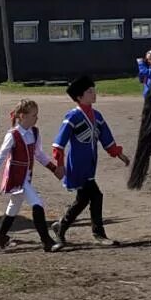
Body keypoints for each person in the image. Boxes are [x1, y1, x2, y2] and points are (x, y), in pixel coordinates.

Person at [51, 76, 129, 248]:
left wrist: (119, 154)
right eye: (89, 91)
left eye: (94, 90)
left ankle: (60, 226)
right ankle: (98, 234)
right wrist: (60, 165)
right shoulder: (72, 117)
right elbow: (59, 144)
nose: (94, 94)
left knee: (83, 199)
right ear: (79, 97)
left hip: (90, 165)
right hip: (77, 166)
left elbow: (106, 138)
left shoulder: (97, 116)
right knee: (95, 195)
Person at [0, 99, 62, 252]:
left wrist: (53, 168)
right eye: (33, 115)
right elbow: (1, 155)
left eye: (37, 115)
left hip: (26, 176)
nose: (36, 118)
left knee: (13, 207)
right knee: (37, 204)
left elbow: (38, 154)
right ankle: (46, 241)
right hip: (16, 178)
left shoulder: (34, 132)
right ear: (22, 116)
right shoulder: (13, 135)